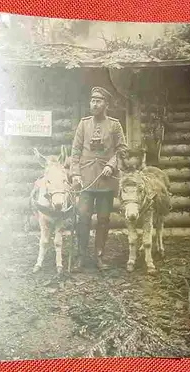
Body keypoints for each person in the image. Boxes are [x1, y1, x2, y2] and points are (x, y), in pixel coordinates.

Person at [70, 87, 128, 270]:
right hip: (86, 180)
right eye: (92, 100)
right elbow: (75, 151)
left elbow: (122, 150)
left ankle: (99, 256)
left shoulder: (114, 125)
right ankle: (81, 257)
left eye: (99, 101)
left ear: (106, 105)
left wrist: (112, 164)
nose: (94, 104)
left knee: (103, 219)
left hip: (106, 180)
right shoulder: (83, 124)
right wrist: (75, 174)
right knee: (83, 217)